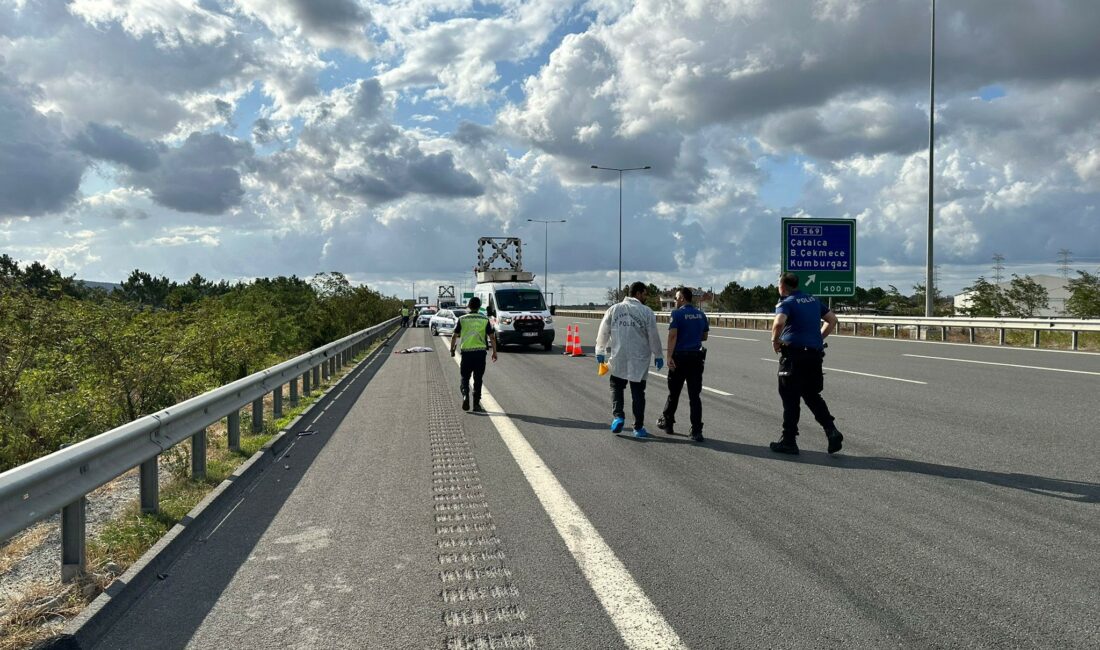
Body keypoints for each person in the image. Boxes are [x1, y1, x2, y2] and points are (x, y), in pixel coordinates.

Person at [770, 273, 843, 455]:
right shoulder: (813, 300)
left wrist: (775, 341)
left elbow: (779, 323)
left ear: (782, 286)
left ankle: (789, 441)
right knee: (812, 395)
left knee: (790, 398)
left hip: (793, 357)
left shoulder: (786, 302)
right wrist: (818, 337)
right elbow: (832, 320)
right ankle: (831, 430)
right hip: (814, 356)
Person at [595, 281, 664, 438]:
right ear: (638, 293)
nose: (646, 297)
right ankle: (638, 428)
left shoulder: (614, 309)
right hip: (639, 359)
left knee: (616, 387)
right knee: (638, 393)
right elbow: (653, 336)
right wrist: (658, 355)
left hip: (619, 356)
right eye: (644, 294)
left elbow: (603, 331)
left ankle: (618, 416)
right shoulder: (646, 312)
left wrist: (600, 350)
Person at [657, 287, 709, 442]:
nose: (675, 300)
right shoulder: (701, 314)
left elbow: (672, 336)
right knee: (694, 396)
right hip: (696, 358)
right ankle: (696, 430)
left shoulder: (677, 314)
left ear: (682, 298)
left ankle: (668, 423)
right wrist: (691, 336)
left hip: (679, 358)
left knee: (674, 393)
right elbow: (704, 336)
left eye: (676, 298)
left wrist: (669, 356)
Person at [449, 296, 497, 413]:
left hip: (466, 353)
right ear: (479, 307)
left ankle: (465, 395)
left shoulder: (462, 319)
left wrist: (452, 350)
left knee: (465, 377)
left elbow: (454, 336)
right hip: (480, 353)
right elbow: (492, 337)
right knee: (478, 378)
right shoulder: (485, 319)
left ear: (469, 306)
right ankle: (476, 404)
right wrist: (494, 352)